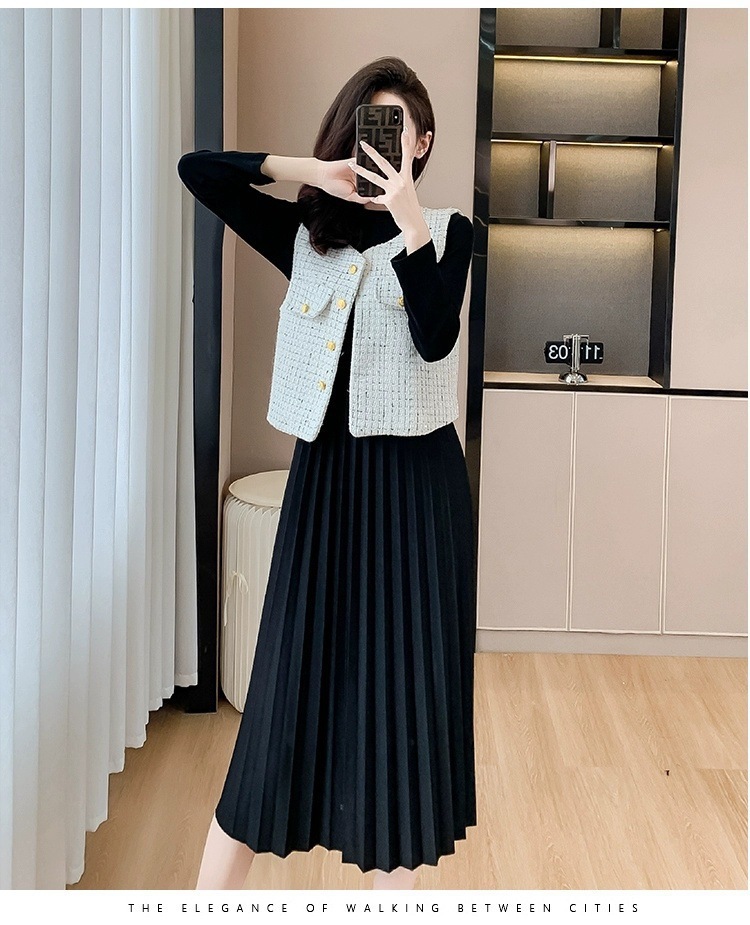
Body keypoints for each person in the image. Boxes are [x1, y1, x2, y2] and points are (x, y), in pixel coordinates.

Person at [177, 55, 477, 891]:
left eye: (396, 128)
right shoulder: (310, 236)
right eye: (366, 126)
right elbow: (199, 172)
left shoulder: (449, 233)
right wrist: (312, 171)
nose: (380, 141)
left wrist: (409, 219)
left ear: (423, 142)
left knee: (404, 715)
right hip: (326, 491)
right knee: (280, 701)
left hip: (418, 497)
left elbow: (435, 337)